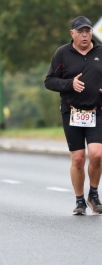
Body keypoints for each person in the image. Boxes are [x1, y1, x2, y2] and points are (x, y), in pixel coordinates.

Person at [45, 16, 102, 215]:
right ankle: (80, 201)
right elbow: (49, 81)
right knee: (78, 159)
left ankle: (93, 194)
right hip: (72, 113)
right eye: (80, 31)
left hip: (97, 111)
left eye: (87, 31)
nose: (85, 35)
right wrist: (70, 84)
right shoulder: (63, 53)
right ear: (72, 33)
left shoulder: (100, 52)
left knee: (97, 154)